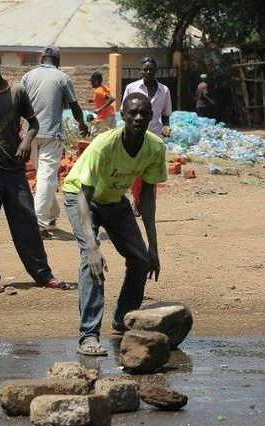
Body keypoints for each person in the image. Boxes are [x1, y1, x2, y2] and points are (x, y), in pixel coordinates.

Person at [62, 92, 166, 356]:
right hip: (82, 197)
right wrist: (93, 247)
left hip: (113, 199)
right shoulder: (104, 145)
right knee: (91, 261)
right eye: (133, 113)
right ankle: (88, 336)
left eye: (144, 113)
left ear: (152, 116)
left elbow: (147, 199)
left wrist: (153, 247)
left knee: (141, 260)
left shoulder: (155, 148)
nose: (139, 118)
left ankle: (123, 318)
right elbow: (84, 196)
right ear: (123, 116)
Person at [0, 47, 73, 293]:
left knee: (27, 224)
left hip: (13, 171)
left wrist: (25, 141)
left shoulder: (17, 92)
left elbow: (33, 123)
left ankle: (43, 275)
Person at [20, 46, 90, 238]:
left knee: (44, 177)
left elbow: (17, 103)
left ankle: (51, 215)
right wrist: (82, 124)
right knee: (46, 178)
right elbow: (75, 106)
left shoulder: (28, 76)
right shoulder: (62, 78)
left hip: (29, 135)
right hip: (51, 135)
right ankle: (38, 223)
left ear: (42, 58)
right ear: (58, 61)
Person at [122, 57, 172, 215]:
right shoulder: (132, 87)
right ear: (140, 70)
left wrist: (166, 126)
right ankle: (137, 202)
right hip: (135, 134)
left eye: (151, 69)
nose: (148, 72)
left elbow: (166, 113)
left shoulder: (164, 90)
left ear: (156, 70)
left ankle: (148, 205)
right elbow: (124, 112)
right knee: (137, 171)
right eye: (145, 69)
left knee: (152, 171)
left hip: (154, 135)